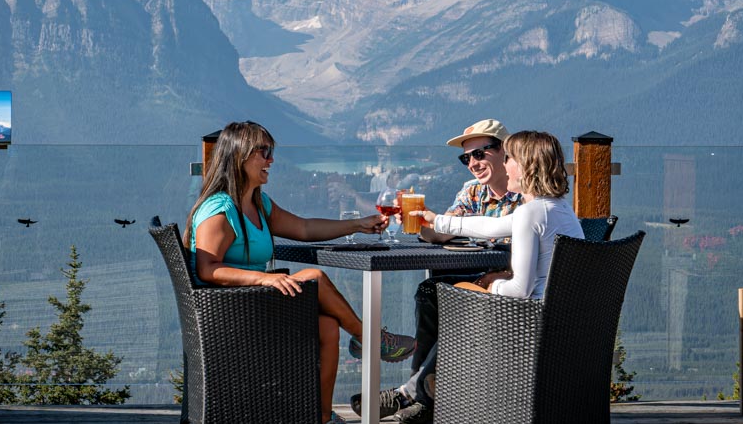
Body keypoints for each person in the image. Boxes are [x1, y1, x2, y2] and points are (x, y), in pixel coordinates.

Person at [186, 120, 416, 424]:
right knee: (314, 277)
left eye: (271, 151)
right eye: (263, 151)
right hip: (230, 316)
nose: (271, 159)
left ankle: (320, 417)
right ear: (239, 156)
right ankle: (371, 339)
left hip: (252, 305)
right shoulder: (220, 210)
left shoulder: (257, 203)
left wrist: (358, 224)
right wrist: (265, 278)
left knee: (329, 328)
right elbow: (207, 268)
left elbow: (304, 228)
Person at [352, 118, 524, 424]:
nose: (472, 163)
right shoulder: (473, 192)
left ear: (504, 152)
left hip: (512, 292)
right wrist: (422, 223)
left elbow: (539, 259)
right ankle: (424, 395)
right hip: (478, 281)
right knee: (430, 292)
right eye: (466, 157)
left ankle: (410, 394)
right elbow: (441, 230)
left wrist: (501, 276)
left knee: (458, 305)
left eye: (480, 154)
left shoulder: (526, 196)